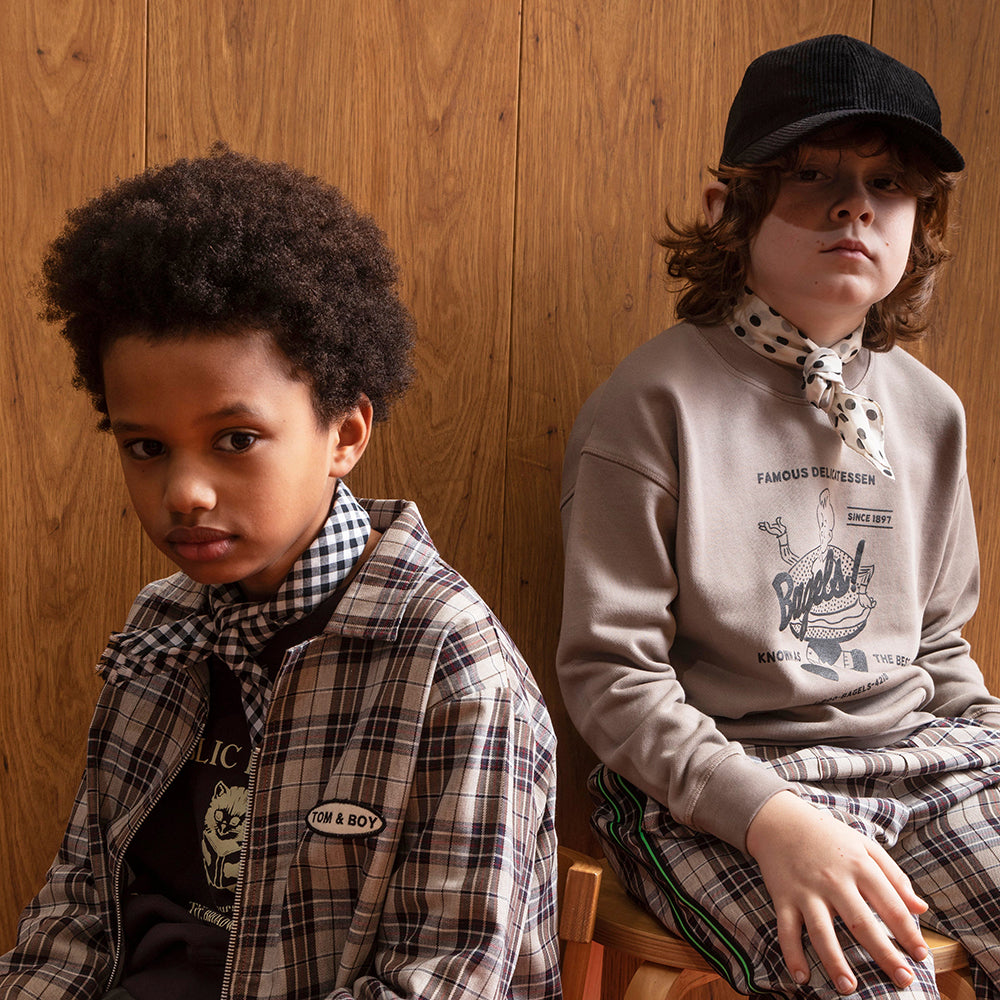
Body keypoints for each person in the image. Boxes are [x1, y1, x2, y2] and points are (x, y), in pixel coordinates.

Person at [0, 147, 559, 1000]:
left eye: (235, 439)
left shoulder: (455, 677)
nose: (184, 492)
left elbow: (440, 983)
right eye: (145, 447)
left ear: (345, 433)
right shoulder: (161, 629)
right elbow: (78, 917)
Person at [557, 33, 1000, 1000]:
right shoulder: (653, 405)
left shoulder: (929, 412)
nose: (855, 204)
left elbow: (938, 645)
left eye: (889, 184)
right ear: (731, 208)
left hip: (916, 760)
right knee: (867, 981)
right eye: (813, 175)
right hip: (722, 786)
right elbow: (611, 675)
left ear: (919, 222)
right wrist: (770, 818)